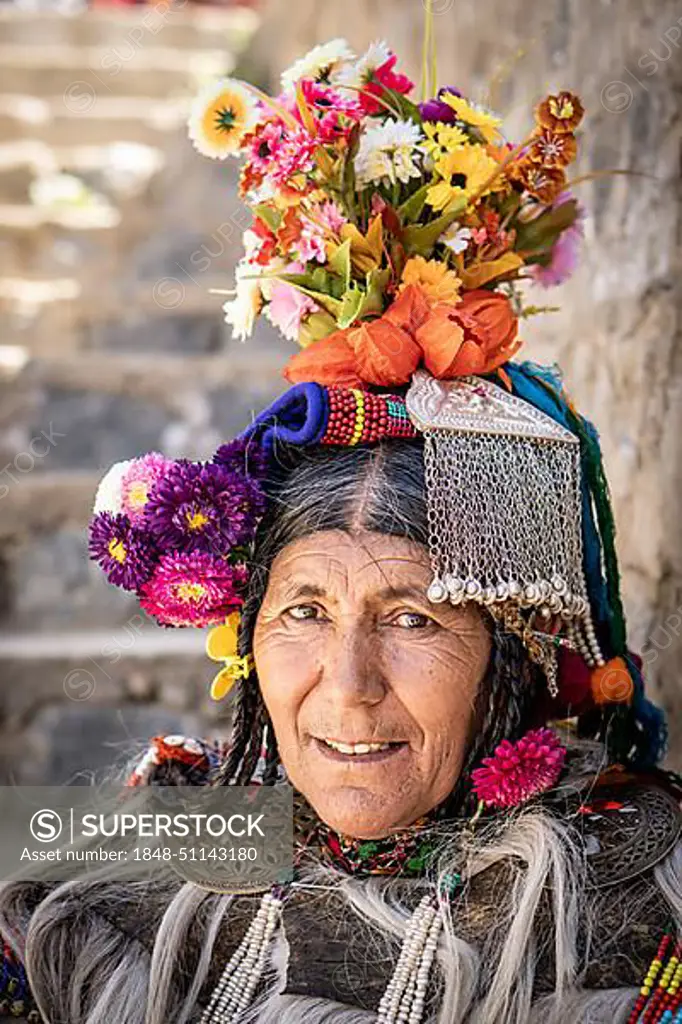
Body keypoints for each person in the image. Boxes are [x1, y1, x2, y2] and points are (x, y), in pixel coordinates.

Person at [1, 29, 680, 1024]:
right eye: (304, 610)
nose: (348, 687)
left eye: (410, 618)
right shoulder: (106, 902)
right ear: (245, 629)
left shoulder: (634, 902)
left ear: (510, 653)